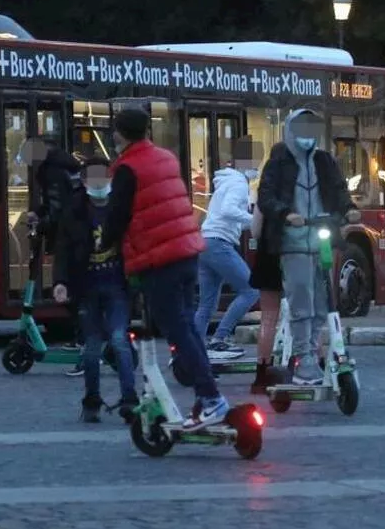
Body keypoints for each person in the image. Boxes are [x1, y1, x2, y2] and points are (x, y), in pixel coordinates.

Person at [100, 107, 229, 428]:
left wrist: (104, 245)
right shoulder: (166, 158)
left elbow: (117, 216)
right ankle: (205, 396)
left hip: (159, 259)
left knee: (177, 329)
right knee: (187, 326)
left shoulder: (127, 168)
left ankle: (212, 397)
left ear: (120, 133)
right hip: (186, 252)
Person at [257, 110, 359, 386]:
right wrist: (285, 213)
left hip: (322, 239)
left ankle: (314, 350)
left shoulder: (325, 160)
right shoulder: (278, 161)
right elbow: (265, 197)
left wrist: (349, 209)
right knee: (301, 298)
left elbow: (339, 190)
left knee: (323, 301)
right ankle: (304, 358)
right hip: (292, 241)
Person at [51, 157, 138, 423]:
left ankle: (130, 399)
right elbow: (63, 250)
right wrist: (60, 282)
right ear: (86, 182)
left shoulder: (122, 208)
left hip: (117, 286)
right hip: (87, 287)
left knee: (120, 341)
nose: (101, 184)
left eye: (105, 178)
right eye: (95, 178)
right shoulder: (74, 210)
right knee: (91, 347)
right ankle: (92, 399)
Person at [21, 138, 89, 375]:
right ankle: (84, 338)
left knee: (68, 290)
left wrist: (43, 223)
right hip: (74, 233)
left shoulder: (52, 171)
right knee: (71, 290)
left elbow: (59, 207)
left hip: (69, 235)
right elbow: (55, 204)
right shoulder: (64, 165)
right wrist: (39, 213)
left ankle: (86, 344)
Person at [193, 138, 261, 359]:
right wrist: (256, 220)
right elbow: (228, 211)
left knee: (207, 304)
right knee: (251, 290)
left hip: (205, 242)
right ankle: (220, 338)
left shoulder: (227, 181)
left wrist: (248, 223)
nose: (256, 168)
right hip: (218, 243)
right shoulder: (239, 184)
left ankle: (193, 349)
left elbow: (228, 216)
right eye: (254, 163)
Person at [248, 200, 287, 394]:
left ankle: (262, 374)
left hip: (268, 256)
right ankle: (315, 364)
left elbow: (255, 231)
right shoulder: (300, 189)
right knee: (304, 315)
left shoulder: (266, 195)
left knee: (268, 318)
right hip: (296, 254)